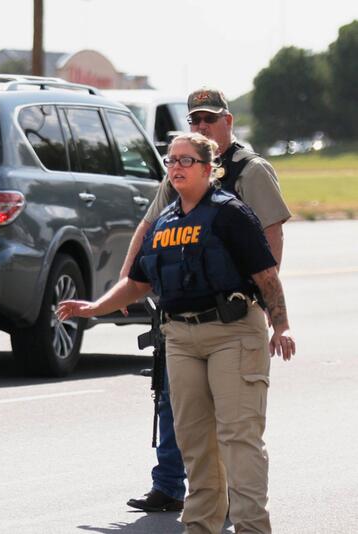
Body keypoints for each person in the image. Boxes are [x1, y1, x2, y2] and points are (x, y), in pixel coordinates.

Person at [60, 133, 294, 533]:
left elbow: (265, 274)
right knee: (194, 442)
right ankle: (200, 527)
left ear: (208, 168)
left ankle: (253, 527)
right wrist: (95, 307)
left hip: (233, 331)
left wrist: (281, 325)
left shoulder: (231, 214)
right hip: (181, 337)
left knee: (238, 439)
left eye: (186, 161)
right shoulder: (166, 220)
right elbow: (137, 282)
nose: (177, 168)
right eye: (171, 161)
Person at [119, 87, 292, 513]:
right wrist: (127, 278)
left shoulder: (250, 171)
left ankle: (233, 501)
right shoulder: (181, 168)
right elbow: (149, 226)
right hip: (180, 305)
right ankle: (169, 485)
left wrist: (265, 301)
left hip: (231, 310)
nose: (201, 127)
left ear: (227, 122)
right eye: (195, 120)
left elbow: (270, 235)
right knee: (174, 400)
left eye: (209, 120)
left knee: (232, 418)